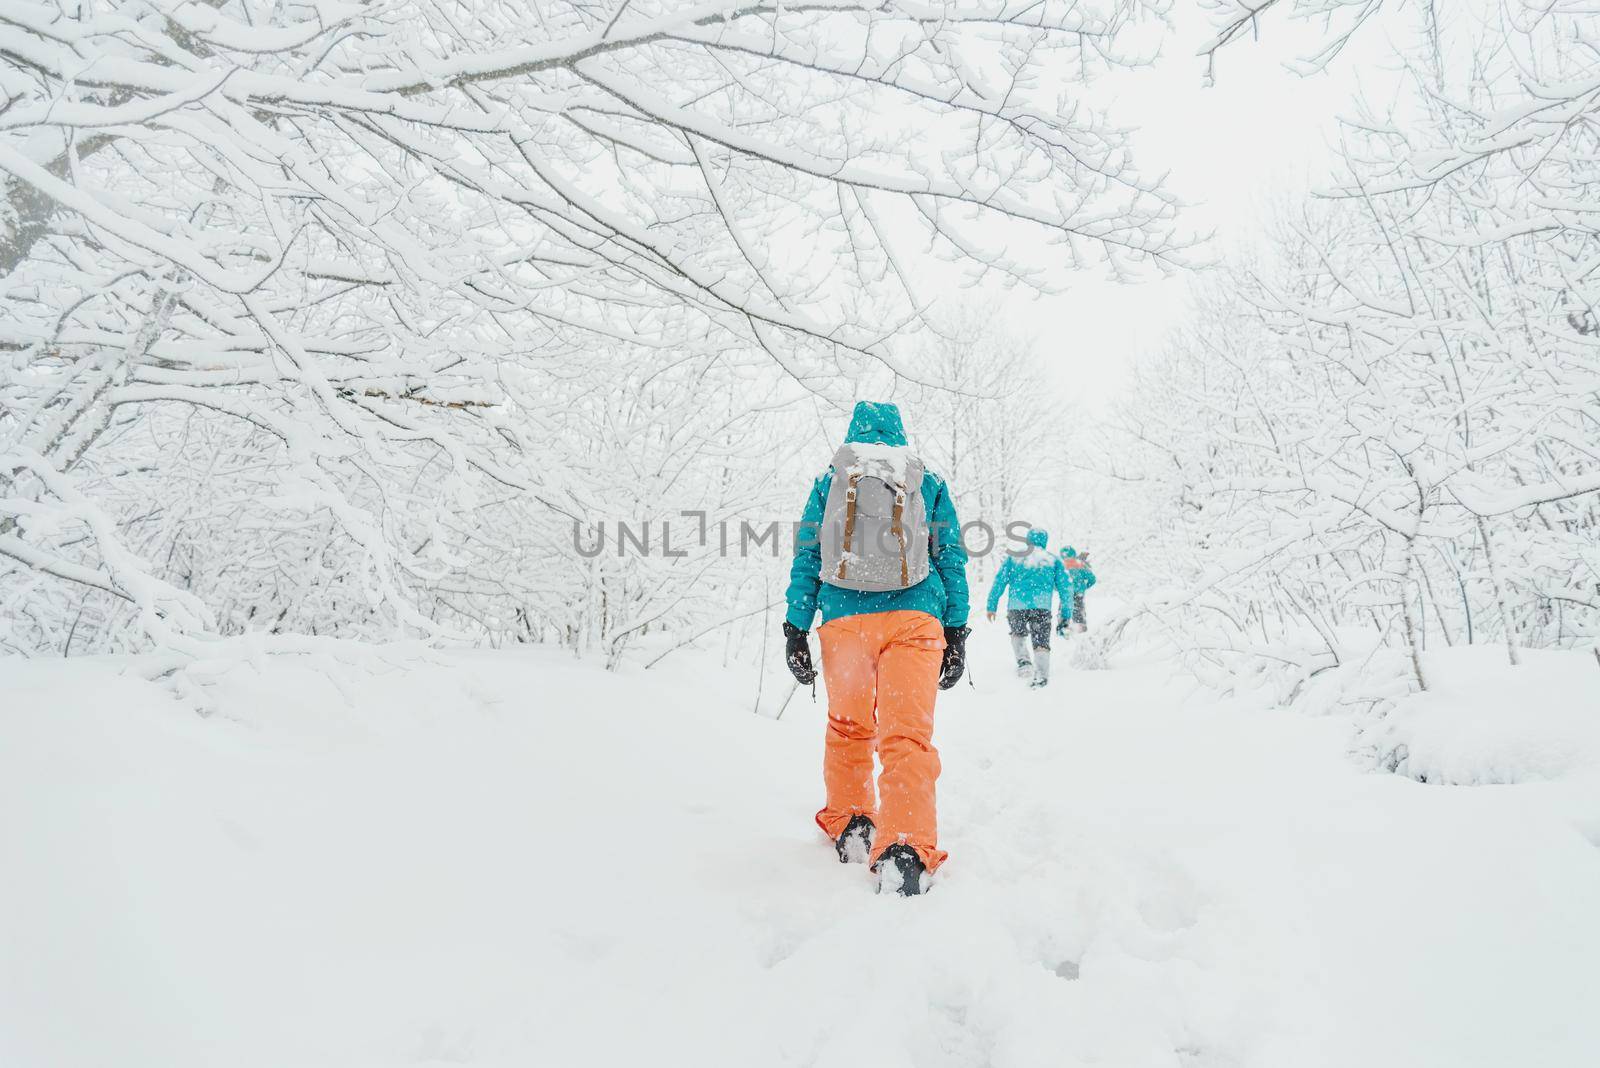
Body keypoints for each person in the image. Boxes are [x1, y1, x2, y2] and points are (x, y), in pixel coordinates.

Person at [782, 401, 970, 897]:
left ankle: (852, 823)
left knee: (849, 728)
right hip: (915, 619)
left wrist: (795, 626)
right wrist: (957, 629)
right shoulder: (924, 479)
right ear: (900, 434)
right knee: (906, 736)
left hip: (845, 623)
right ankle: (905, 850)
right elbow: (950, 555)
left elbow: (807, 553)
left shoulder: (831, 480)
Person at [984, 527, 1074, 688]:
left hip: (1016, 606)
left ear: (1028, 540)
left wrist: (992, 606)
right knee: (1041, 640)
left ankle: (1024, 663)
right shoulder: (1053, 560)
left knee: (1017, 633)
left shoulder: (1014, 558)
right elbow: (1066, 589)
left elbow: (999, 581)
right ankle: (1041, 673)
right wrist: (1066, 613)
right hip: (1041, 607)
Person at [1057, 546, 1097, 637]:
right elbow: (1092, 579)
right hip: (1078, 593)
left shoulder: (1061, 565)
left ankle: (1062, 630)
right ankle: (1080, 630)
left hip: (1065, 593)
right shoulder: (1080, 564)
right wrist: (1084, 587)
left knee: (1063, 611)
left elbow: (1055, 581)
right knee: (1079, 611)